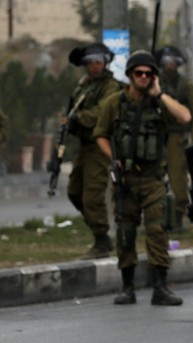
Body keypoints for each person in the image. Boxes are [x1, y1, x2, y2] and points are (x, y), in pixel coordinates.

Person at [93, 50, 191, 306]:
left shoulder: (160, 102)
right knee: (125, 233)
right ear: (130, 75)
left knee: (158, 231)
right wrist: (113, 158)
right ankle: (128, 287)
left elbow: (185, 117)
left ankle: (160, 286)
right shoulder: (115, 102)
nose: (144, 77)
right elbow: (101, 134)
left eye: (149, 73)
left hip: (152, 179)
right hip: (125, 181)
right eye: (139, 73)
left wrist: (159, 94)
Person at [65, 43, 125, 259]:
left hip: (101, 145)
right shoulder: (84, 86)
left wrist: (77, 118)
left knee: (92, 196)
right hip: (85, 146)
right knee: (74, 192)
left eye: (98, 62)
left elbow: (102, 113)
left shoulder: (111, 87)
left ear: (105, 63)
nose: (94, 66)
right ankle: (100, 233)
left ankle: (101, 239)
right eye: (90, 63)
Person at [154, 46, 193, 232]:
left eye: (173, 62)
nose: (170, 66)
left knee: (178, 177)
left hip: (177, 135)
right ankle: (159, 215)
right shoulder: (156, 84)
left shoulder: (186, 85)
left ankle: (179, 216)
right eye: (166, 62)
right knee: (156, 176)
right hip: (159, 135)